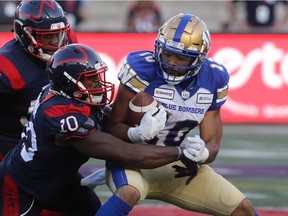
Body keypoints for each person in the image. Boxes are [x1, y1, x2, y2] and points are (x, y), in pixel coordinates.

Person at [0, 43, 199, 215]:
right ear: (69, 82)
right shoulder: (62, 116)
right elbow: (130, 154)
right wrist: (181, 152)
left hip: (59, 179)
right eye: (91, 79)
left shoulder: (69, 95)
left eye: (97, 76)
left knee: (93, 210)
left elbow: (104, 118)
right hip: (23, 188)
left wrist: (136, 131)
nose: (99, 83)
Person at [94, 13, 260, 216]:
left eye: (181, 57)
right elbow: (112, 126)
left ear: (198, 58)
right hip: (132, 161)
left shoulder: (213, 78)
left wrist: (203, 153)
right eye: (166, 54)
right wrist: (135, 134)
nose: (171, 61)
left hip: (176, 165)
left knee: (243, 209)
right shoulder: (142, 69)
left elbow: (212, 143)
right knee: (129, 192)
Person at [0, 0, 78, 162]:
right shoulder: (8, 65)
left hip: (50, 141)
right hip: (12, 147)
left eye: (59, 35)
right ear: (25, 34)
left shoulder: (69, 42)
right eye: (47, 37)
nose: (56, 43)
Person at [223, 0, 288, 33]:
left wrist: (281, 23)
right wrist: (239, 22)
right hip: (251, 29)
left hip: (270, 29)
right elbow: (230, 5)